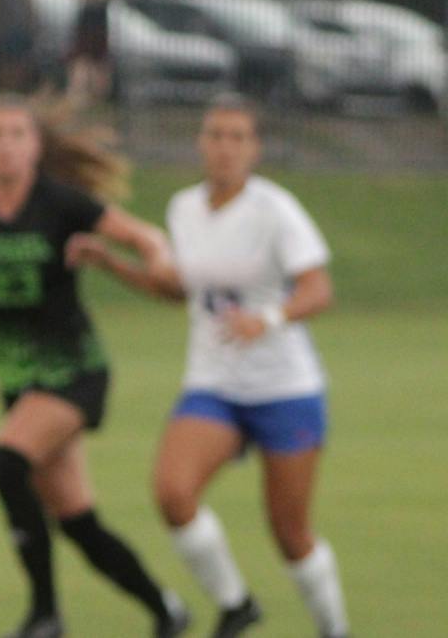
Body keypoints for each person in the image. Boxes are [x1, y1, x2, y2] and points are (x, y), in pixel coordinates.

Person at [0, 99, 189, 638]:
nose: (4, 143)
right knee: (78, 523)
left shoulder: (63, 203)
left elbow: (144, 237)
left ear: (35, 146)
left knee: (6, 462)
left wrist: (159, 261)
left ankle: (45, 616)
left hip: (76, 372)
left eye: (15, 133)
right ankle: (167, 609)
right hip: (19, 382)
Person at [69, 97, 348, 638]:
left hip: (284, 387)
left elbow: (319, 289)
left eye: (237, 137)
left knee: (290, 533)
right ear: (201, 143)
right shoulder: (183, 208)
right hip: (215, 384)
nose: (224, 148)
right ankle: (236, 603)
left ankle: (334, 629)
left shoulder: (275, 210)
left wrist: (266, 319)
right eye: (215, 135)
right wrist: (111, 263)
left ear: (255, 148)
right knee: (173, 493)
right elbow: (179, 291)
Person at [68, 0, 118, 106]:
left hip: (100, 20)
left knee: (101, 62)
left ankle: (99, 98)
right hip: (86, 19)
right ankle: (78, 97)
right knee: (81, 60)